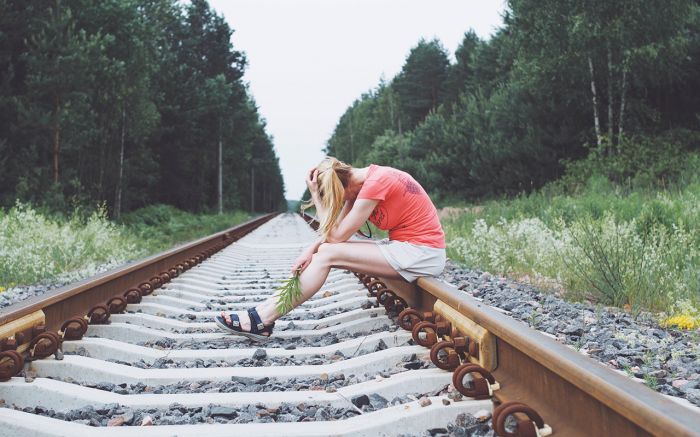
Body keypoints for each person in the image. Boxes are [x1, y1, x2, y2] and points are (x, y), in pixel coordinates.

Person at [215, 157, 446, 340]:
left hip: (421, 253)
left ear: (341, 186)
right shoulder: (357, 187)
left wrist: (316, 195)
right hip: (406, 248)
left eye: (334, 198)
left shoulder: (376, 183)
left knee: (328, 253)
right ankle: (262, 312)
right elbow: (334, 233)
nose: (337, 203)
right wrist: (310, 249)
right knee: (324, 251)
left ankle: (263, 318)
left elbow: (336, 236)